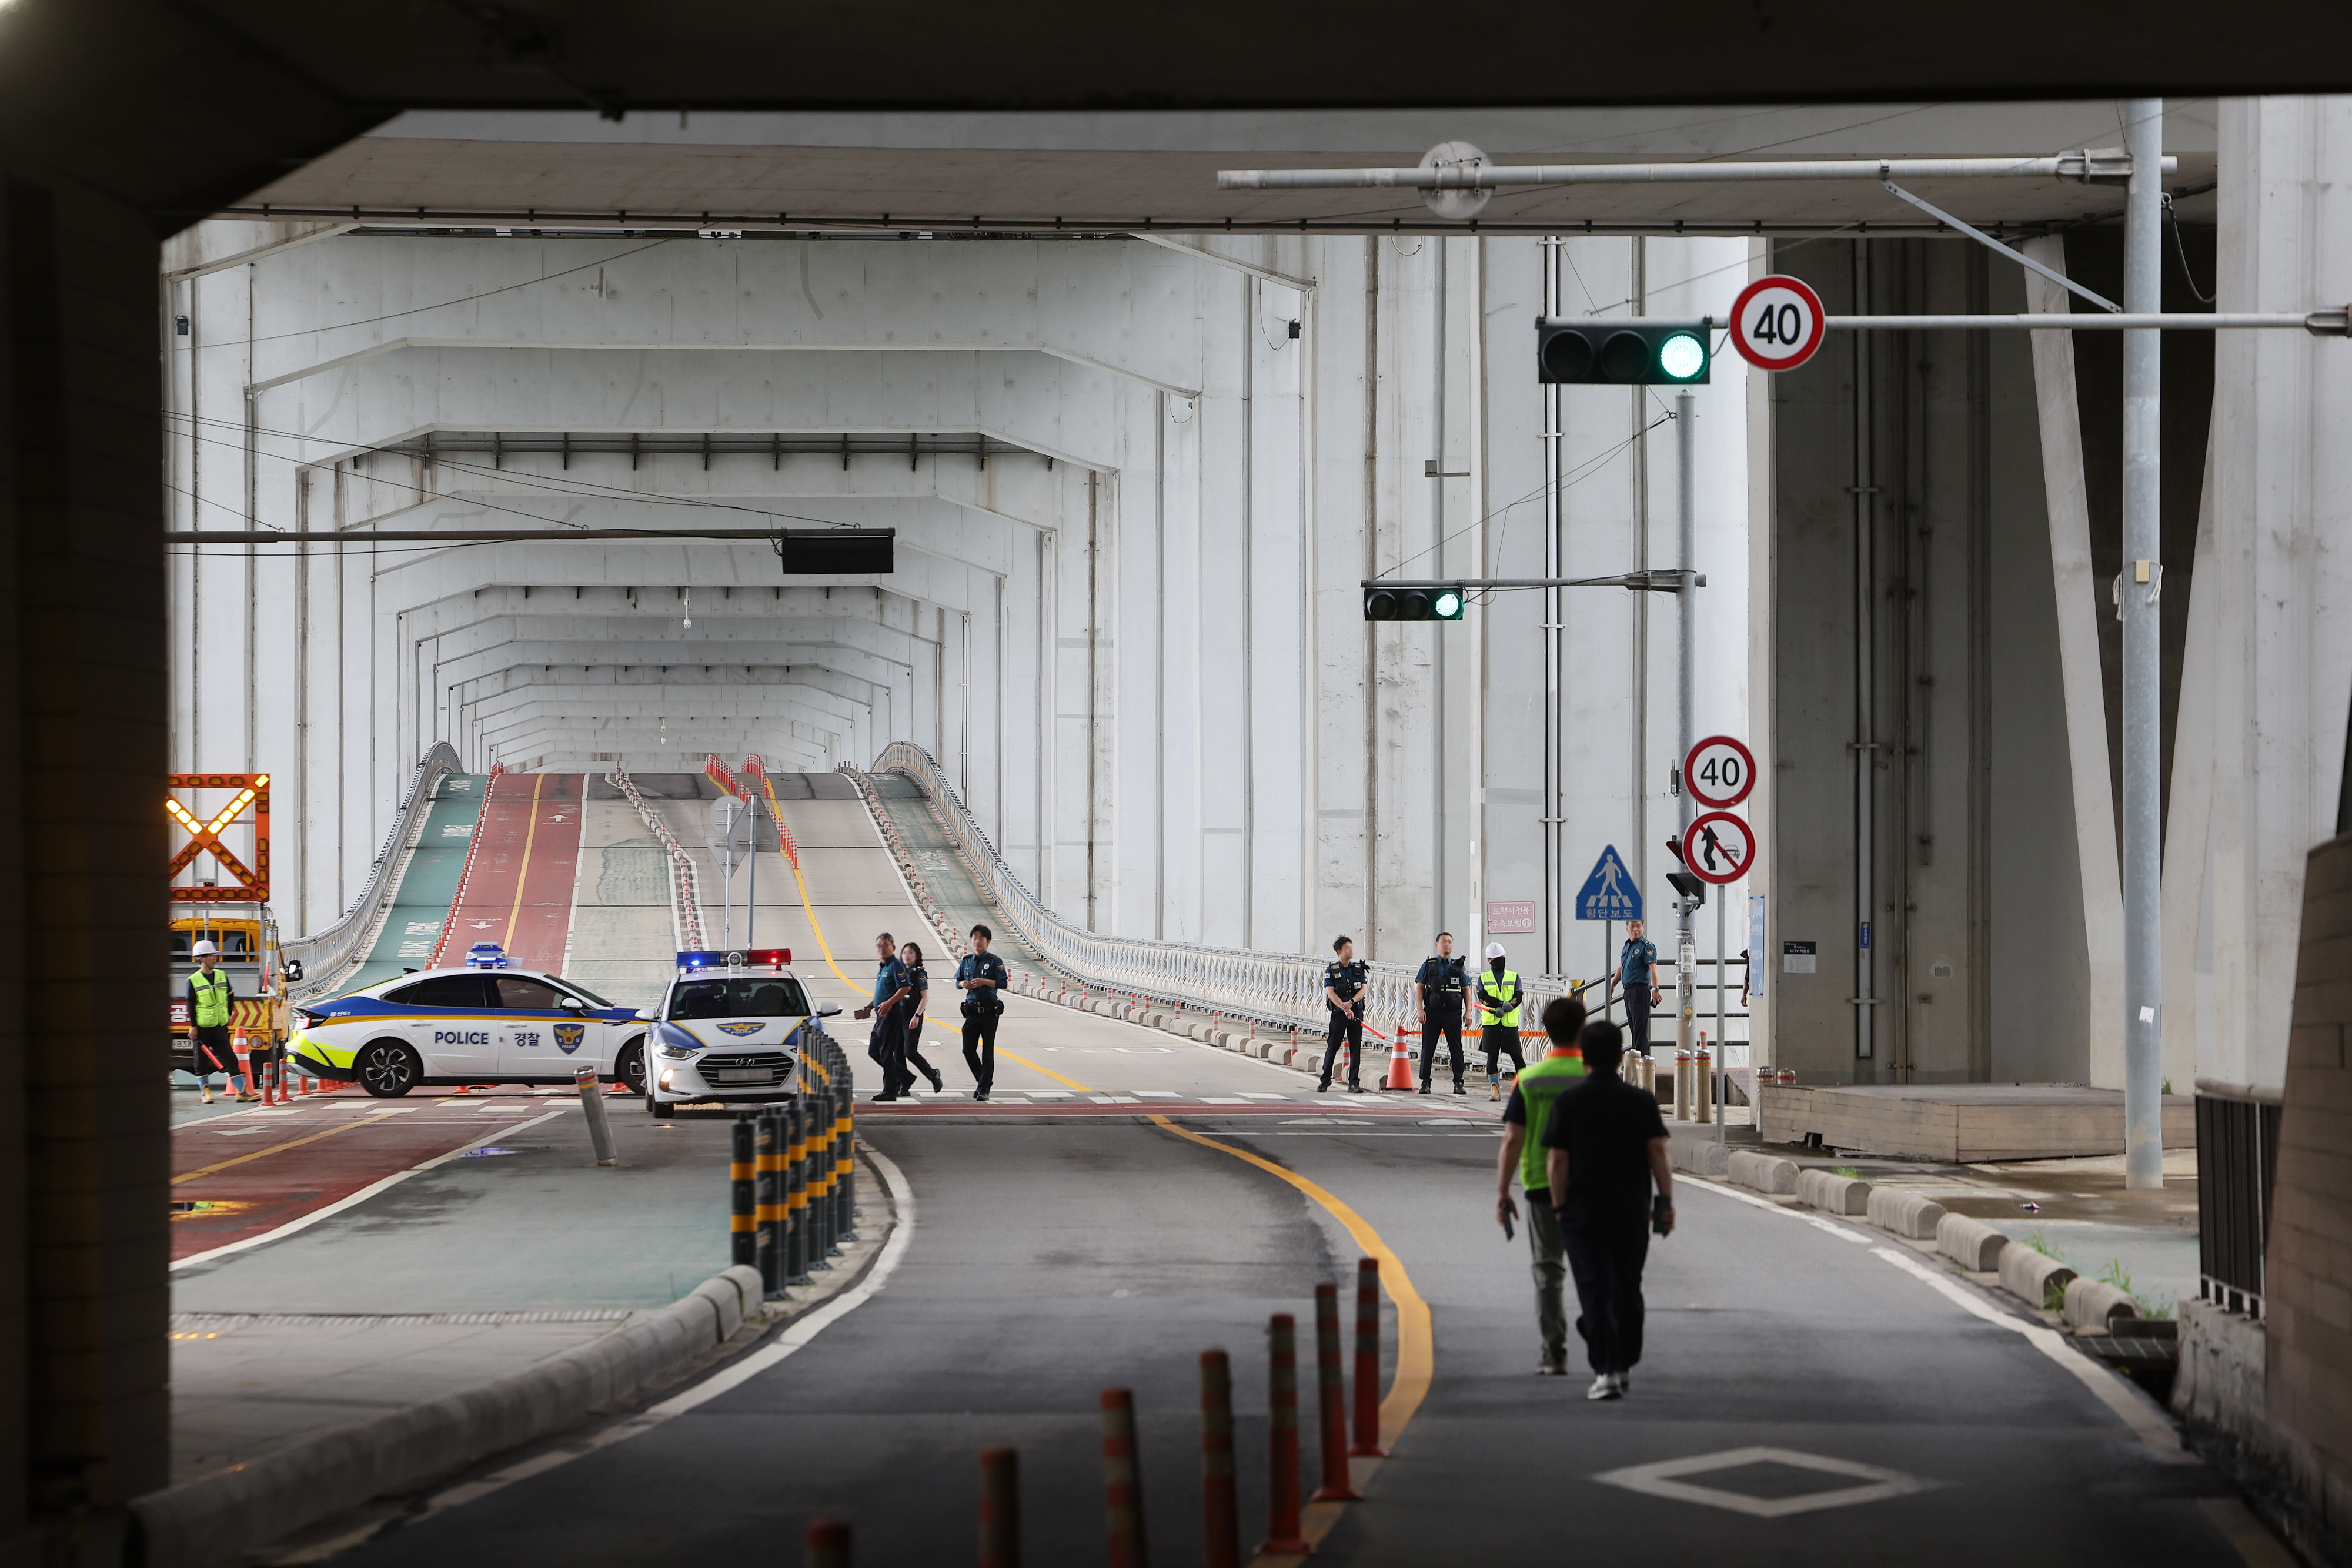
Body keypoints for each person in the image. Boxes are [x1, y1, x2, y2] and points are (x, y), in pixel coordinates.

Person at [1542, 1019, 1674, 1401]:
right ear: (1620, 1056)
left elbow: (1557, 1161)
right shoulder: (1641, 1101)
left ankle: (1607, 1368)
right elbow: (1658, 1153)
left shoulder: (1570, 1101)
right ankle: (1624, 1360)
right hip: (1632, 1209)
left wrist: (1559, 1204)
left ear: (1583, 1057)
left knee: (1595, 1288)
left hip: (1583, 1211)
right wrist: (1664, 1202)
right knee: (1628, 1285)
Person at [1494, 994, 1589, 1375]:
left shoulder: (1528, 1079)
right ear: (1582, 1029)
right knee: (1592, 1269)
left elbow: (1512, 1139)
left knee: (1548, 1271)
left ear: (1545, 1032)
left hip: (1539, 1187)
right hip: (1589, 1187)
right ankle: (1605, 1347)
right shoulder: (1594, 1077)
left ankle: (1555, 1351)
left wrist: (1502, 1192)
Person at [186, 938, 253, 1104]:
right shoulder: (193, 980)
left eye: (215, 956)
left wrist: (229, 1014)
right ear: (201, 958)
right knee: (200, 1062)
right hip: (202, 1028)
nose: (215, 958)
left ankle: (241, 1091)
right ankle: (205, 1093)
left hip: (220, 1026)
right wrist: (193, 1026)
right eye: (211, 956)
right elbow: (190, 1004)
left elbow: (231, 995)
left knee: (230, 1058)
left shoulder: (221, 975)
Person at [853, 932, 914, 1102]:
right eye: (879, 945)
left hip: (891, 1013)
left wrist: (888, 1003)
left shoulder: (896, 965)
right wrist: (871, 1005)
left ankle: (890, 1090)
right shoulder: (883, 967)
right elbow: (884, 991)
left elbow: (905, 988)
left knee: (886, 1052)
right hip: (880, 1013)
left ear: (893, 948)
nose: (881, 948)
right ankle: (904, 1076)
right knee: (874, 1050)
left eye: (885, 945)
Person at [956, 924, 1010, 1101]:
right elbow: (958, 981)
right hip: (972, 1011)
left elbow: (1003, 983)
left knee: (988, 1052)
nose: (977, 941)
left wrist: (984, 982)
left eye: (981, 938)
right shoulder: (966, 961)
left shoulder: (995, 961)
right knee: (968, 1050)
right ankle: (983, 1080)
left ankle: (984, 1089)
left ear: (988, 942)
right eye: (974, 938)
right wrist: (963, 984)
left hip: (989, 1012)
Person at [1414, 933, 1468, 1097]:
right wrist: (1420, 1009)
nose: (1447, 945)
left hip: (1453, 1013)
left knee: (1456, 1048)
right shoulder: (1428, 965)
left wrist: (1469, 1012)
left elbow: (1466, 989)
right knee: (1428, 1048)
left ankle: (1459, 1083)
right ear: (1437, 944)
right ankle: (1425, 1082)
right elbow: (1420, 988)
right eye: (1443, 942)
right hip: (1432, 1012)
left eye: (1450, 942)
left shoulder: (1459, 967)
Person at [1475, 942, 1526, 1102]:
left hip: (1509, 1023)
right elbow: (1483, 997)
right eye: (1497, 958)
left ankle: (1524, 1088)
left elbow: (1519, 995)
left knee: (1517, 1056)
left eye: (1502, 958)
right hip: (1492, 1022)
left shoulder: (1514, 976)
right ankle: (1495, 1089)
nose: (1501, 960)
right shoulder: (1483, 978)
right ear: (1490, 960)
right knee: (1492, 1056)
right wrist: (1501, 1004)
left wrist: (1509, 1006)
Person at [1319, 936, 1368, 1094]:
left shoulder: (1358, 969)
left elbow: (1364, 989)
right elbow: (1331, 993)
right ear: (1340, 952)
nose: (1351, 950)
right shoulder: (1331, 970)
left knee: (1355, 1048)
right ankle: (1325, 1079)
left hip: (1356, 1012)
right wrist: (1344, 1008)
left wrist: (1352, 1003)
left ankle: (1353, 1083)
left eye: (1351, 947)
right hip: (1339, 1013)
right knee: (1333, 1046)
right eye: (1348, 948)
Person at [898, 941, 945, 1095]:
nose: (907, 955)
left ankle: (933, 1075)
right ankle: (903, 1084)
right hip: (899, 1015)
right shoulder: (899, 972)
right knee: (897, 1051)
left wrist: (917, 1016)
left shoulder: (919, 974)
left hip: (913, 1016)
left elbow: (925, 998)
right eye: (905, 952)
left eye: (911, 953)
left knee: (910, 1052)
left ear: (917, 956)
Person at [1617, 919, 1662, 1058]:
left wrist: (1655, 989)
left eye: (1639, 927)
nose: (1636, 930)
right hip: (1628, 991)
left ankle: (1643, 1060)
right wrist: (1612, 985)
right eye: (1632, 927)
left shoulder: (1646, 946)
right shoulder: (1627, 946)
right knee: (1634, 1028)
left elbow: (1653, 969)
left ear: (1643, 928)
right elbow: (1621, 967)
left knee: (1640, 1028)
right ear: (1627, 929)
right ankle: (1637, 1058)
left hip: (1640, 990)